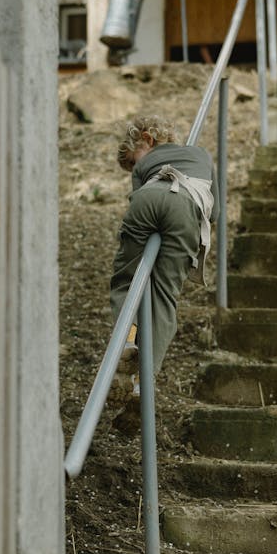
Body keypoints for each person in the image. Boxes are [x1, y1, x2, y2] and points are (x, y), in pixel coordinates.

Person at [109, 114, 219, 382]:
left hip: (148, 200)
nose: (136, 165)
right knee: (165, 295)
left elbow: (139, 197)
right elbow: (215, 213)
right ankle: (145, 377)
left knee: (126, 280)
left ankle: (128, 344)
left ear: (147, 139)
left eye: (134, 160)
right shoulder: (202, 155)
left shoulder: (143, 167)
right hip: (187, 208)